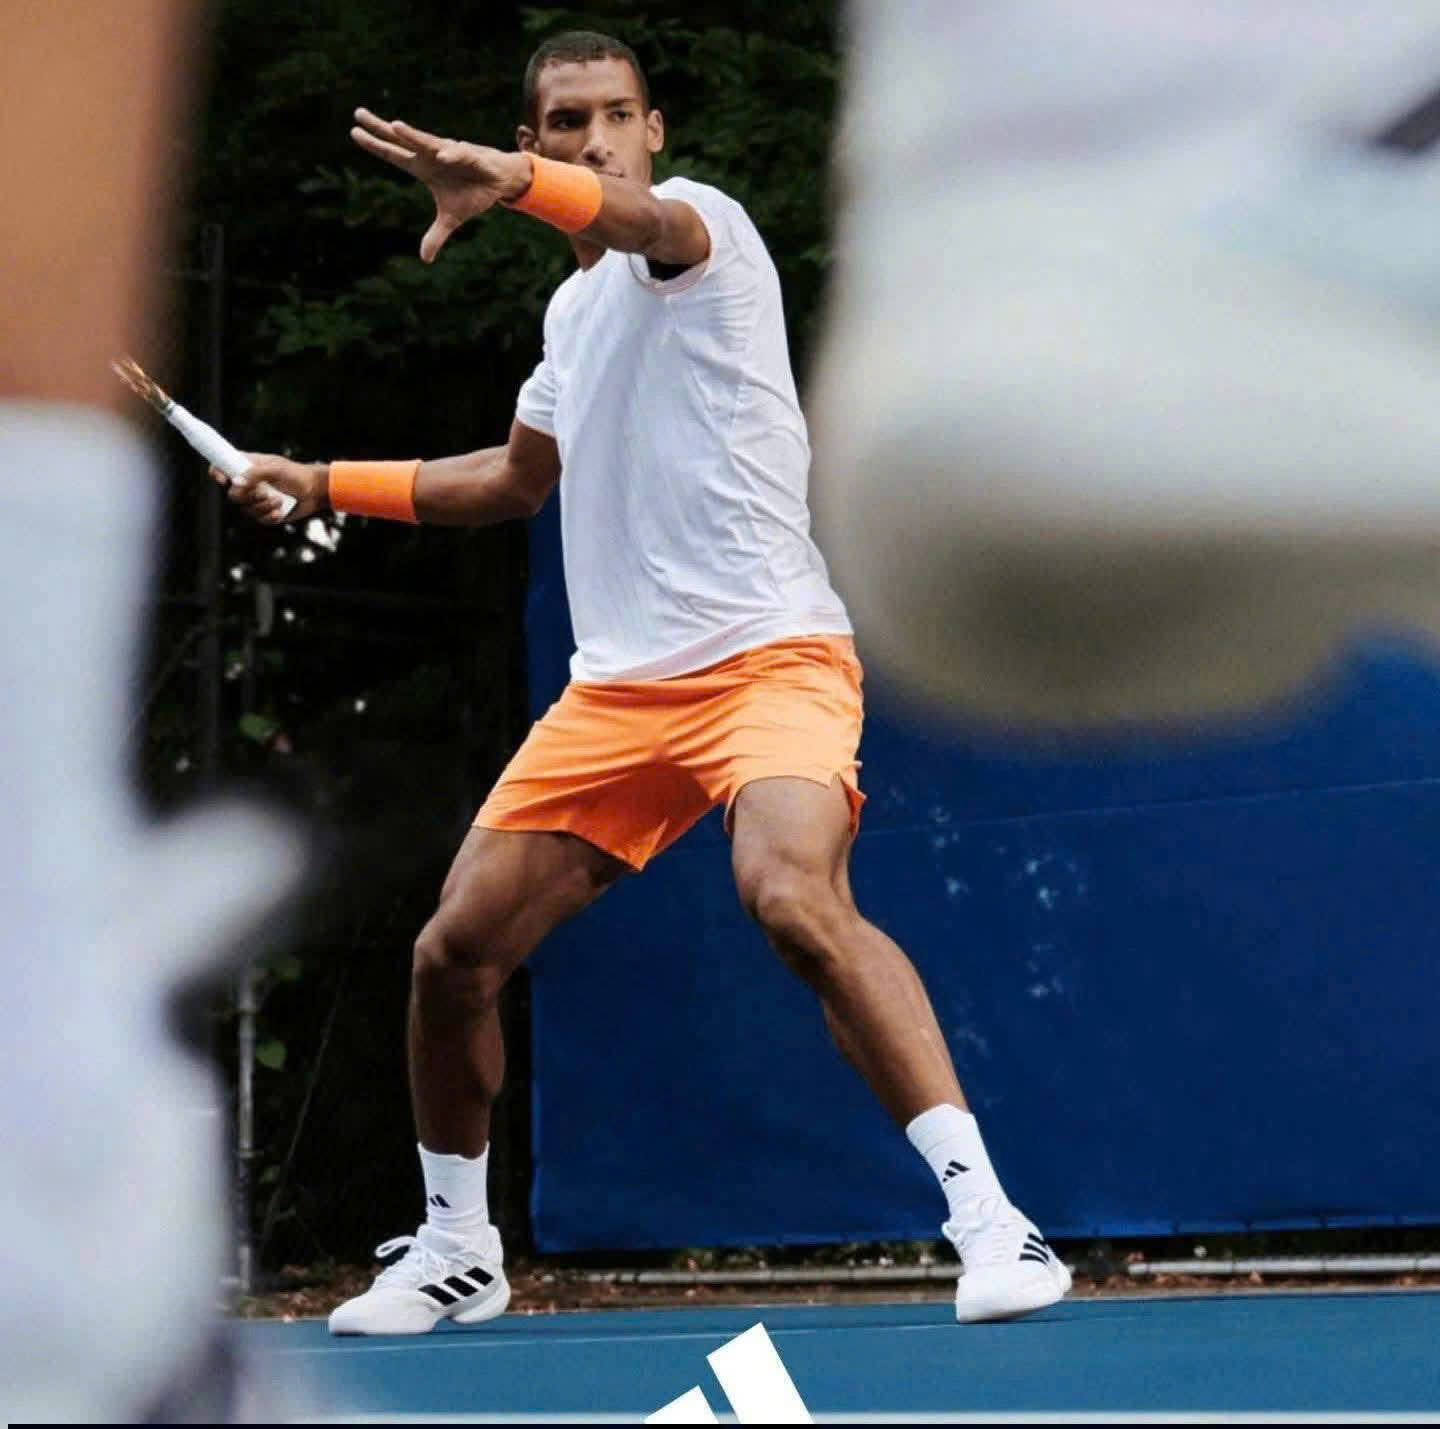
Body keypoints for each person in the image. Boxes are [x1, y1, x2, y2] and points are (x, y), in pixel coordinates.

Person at [226, 29, 1071, 1334]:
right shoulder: (571, 319)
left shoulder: (702, 229)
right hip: (617, 696)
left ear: (655, 129)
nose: (598, 139)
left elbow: (637, 220)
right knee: (452, 952)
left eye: (617, 114)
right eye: (566, 122)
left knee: (789, 893)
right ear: (540, 131)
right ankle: (459, 1249)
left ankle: (991, 1220)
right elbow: (513, 479)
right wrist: (321, 481)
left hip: (769, 657)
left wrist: (515, 180)